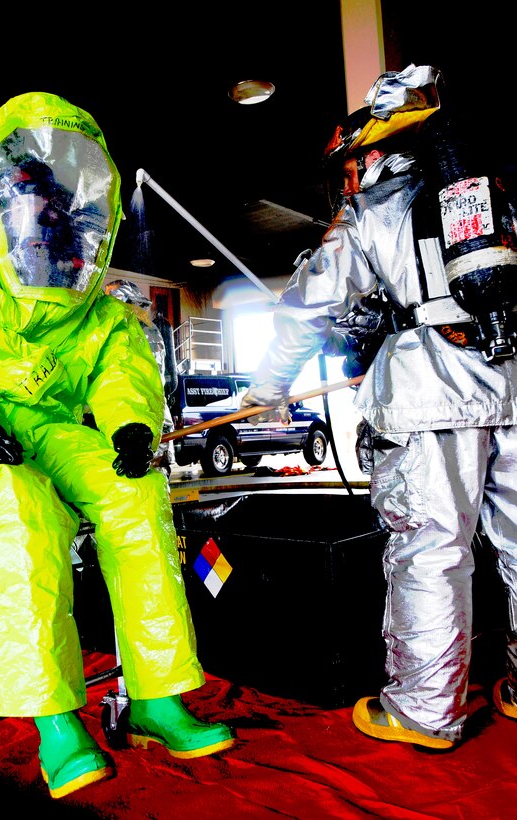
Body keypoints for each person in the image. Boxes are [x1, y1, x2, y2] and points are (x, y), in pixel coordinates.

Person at [0, 91, 234, 799]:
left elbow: (121, 377)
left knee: (135, 491)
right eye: (30, 190)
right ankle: (53, 718)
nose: (46, 210)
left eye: (58, 197)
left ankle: (157, 697)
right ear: (1, 195)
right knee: (25, 505)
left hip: (47, 434)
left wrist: (132, 428)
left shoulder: (96, 308)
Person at [240, 64, 517, 750]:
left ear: (376, 149)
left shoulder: (374, 209)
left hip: (430, 396)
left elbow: (305, 310)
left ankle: (424, 711)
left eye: (354, 160)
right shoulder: (494, 198)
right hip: (512, 379)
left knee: (430, 549)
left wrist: (268, 390)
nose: (350, 175)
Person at [104, 279, 177, 477]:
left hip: (135, 421)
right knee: (155, 480)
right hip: (155, 418)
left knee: (138, 482)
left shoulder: (125, 331)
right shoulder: (150, 328)